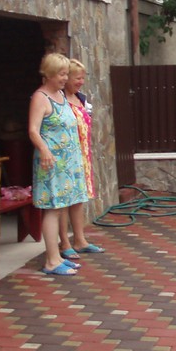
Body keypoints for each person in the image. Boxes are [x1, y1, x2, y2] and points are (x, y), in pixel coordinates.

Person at [29, 53, 89, 276]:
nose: (65, 78)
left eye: (66, 74)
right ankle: (51, 261)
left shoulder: (60, 95)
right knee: (53, 210)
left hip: (68, 163)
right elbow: (33, 130)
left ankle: (57, 256)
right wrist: (44, 150)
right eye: (62, 74)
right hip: (52, 163)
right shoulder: (40, 98)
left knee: (61, 207)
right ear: (50, 74)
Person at [58, 59, 105, 260]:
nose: (81, 82)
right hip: (64, 156)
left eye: (83, 78)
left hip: (81, 155)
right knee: (63, 200)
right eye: (77, 78)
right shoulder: (58, 99)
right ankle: (64, 242)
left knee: (78, 198)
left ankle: (80, 239)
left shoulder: (81, 99)